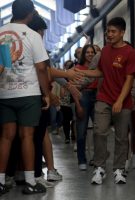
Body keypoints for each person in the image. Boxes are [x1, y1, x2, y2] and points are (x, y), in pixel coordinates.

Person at [77, 17, 135, 185]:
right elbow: (99, 72)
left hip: (123, 101)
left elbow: (129, 79)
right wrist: (80, 73)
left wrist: (119, 101)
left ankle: (118, 169)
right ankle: (100, 168)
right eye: (107, 31)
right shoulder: (104, 51)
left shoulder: (130, 52)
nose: (108, 35)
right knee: (99, 131)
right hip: (104, 98)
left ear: (122, 33)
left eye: (113, 32)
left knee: (121, 137)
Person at [0, 0, 50, 195]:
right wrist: (46, 94)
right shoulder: (33, 35)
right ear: (30, 14)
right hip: (28, 93)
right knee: (26, 136)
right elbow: (41, 68)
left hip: (4, 92)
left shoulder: (1, 33)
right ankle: (30, 181)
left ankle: (1, 181)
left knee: (5, 136)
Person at [74, 44, 97, 171]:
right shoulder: (78, 68)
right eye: (87, 52)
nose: (89, 54)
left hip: (97, 95)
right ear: (83, 55)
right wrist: (78, 105)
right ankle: (82, 160)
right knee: (82, 130)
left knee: (98, 130)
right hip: (83, 96)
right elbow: (74, 89)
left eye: (92, 52)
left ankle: (97, 158)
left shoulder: (98, 67)